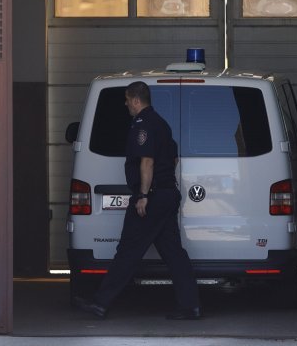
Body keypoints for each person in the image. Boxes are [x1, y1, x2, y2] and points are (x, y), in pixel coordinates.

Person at [72, 81, 201, 320]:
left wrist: (142, 196)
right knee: (174, 253)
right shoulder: (162, 124)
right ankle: (190, 306)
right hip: (166, 195)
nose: (125, 104)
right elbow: (172, 160)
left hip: (151, 199)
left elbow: (147, 161)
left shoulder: (143, 124)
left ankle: (100, 303)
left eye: (126, 100)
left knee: (128, 250)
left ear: (135, 100)